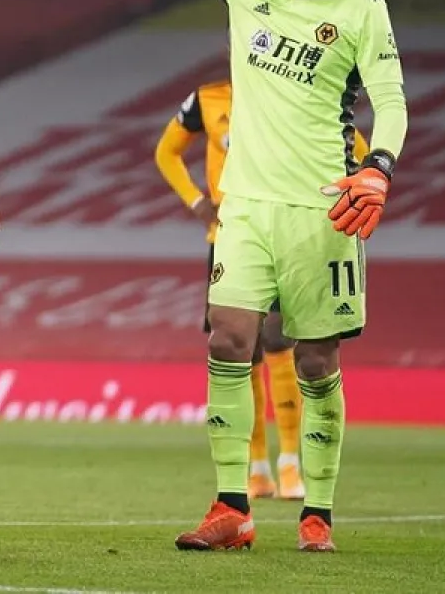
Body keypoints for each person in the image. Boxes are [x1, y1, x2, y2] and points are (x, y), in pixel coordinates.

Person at [131, 0, 407, 552]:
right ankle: (233, 506)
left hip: (323, 210)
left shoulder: (361, 10)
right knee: (228, 340)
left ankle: (317, 511)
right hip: (244, 207)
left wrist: (378, 166)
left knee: (316, 360)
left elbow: (392, 101)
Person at [156, 79, 369, 501]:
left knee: (278, 339)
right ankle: (257, 469)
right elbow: (166, 152)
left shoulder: (293, 89)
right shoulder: (207, 99)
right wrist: (196, 202)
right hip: (230, 234)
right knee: (240, 348)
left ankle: (290, 463)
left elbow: (357, 149)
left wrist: (328, 199)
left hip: (283, 232)